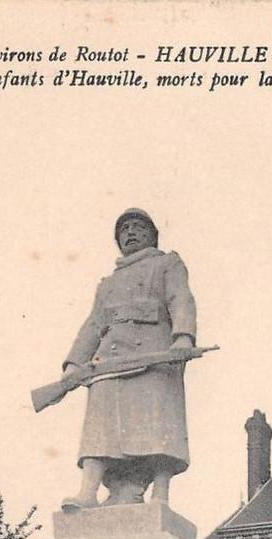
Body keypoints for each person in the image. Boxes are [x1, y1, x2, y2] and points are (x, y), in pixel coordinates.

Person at [61, 209, 197, 510]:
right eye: (123, 229)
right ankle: (88, 491)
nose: (130, 232)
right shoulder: (107, 283)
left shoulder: (167, 264)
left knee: (159, 427)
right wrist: (73, 363)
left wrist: (183, 336)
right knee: (100, 425)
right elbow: (94, 324)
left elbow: (181, 298)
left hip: (155, 354)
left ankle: (159, 495)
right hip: (111, 359)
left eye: (138, 227)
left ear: (152, 235)